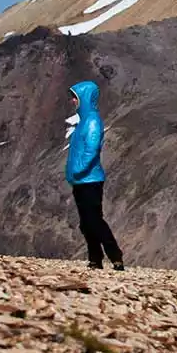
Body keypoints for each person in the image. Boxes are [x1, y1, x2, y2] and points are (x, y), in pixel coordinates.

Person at [65, 80, 124, 271]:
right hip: (82, 180)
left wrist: (77, 170)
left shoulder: (91, 121)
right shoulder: (84, 121)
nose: (73, 100)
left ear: (84, 98)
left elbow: (90, 150)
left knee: (94, 220)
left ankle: (115, 255)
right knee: (86, 223)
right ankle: (95, 258)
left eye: (75, 97)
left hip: (90, 180)